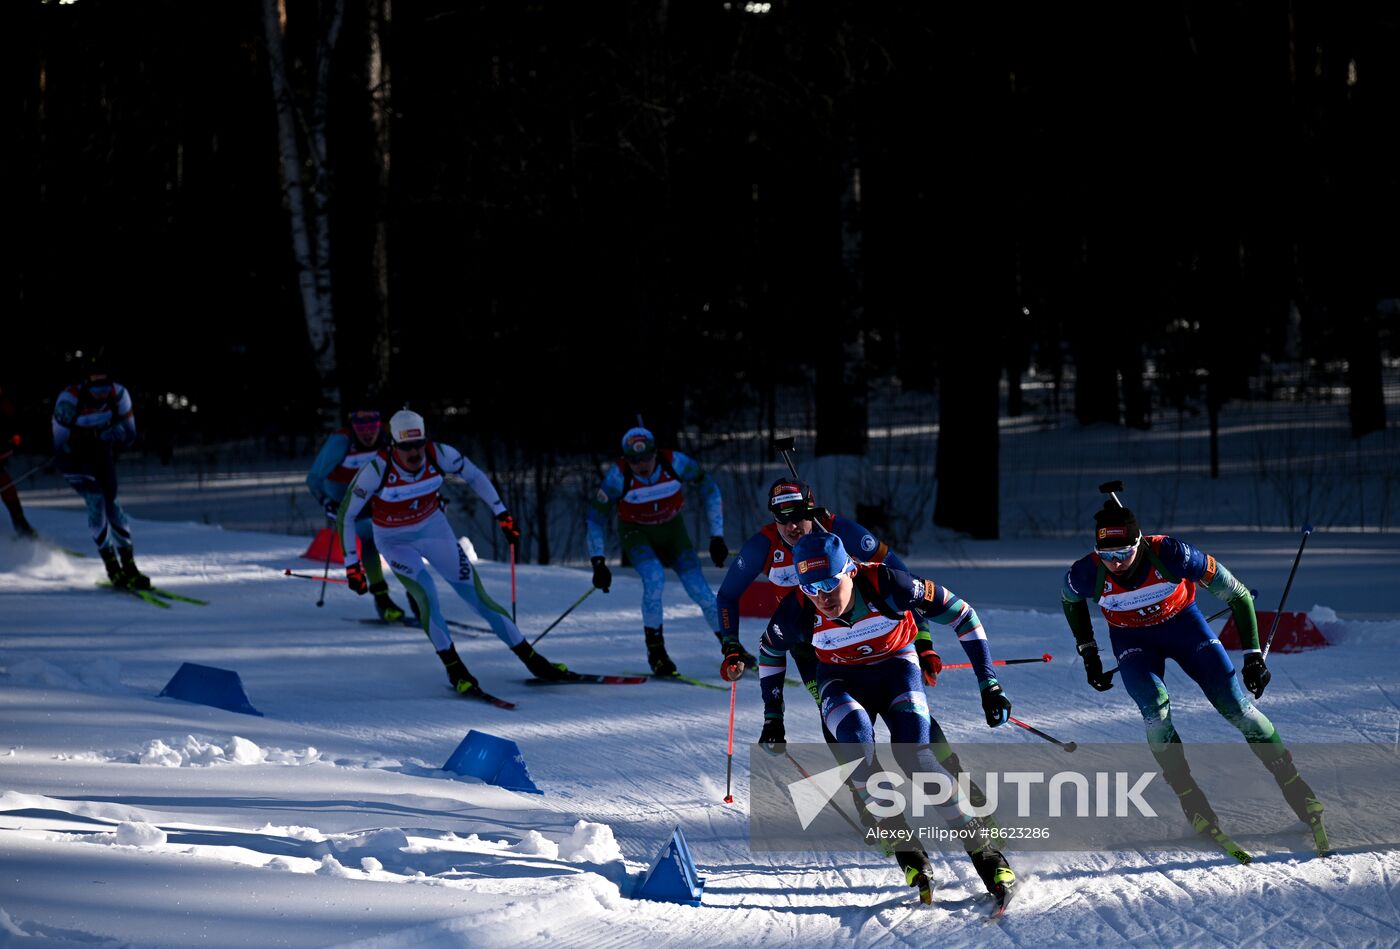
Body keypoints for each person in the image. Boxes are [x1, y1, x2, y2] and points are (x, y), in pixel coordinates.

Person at [742, 531, 1017, 908]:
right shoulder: (798, 609)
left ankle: (986, 856)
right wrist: (773, 717)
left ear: (850, 571)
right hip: (840, 681)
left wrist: (989, 685)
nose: (821, 597)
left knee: (915, 757)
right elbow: (769, 652)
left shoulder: (888, 584)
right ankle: (907, 849)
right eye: (809, 587)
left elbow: (964, 615)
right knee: (857, 749)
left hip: (896, 671)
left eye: (828, 583)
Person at [1061, 501, 1329, 856]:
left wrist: (1252, 657)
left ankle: (1295, 786)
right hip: (1134, 643)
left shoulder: (1171, 554)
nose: (1116, 562)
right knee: (1154, 711)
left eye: (1124, 552)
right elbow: (1070, 601)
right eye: (1106, 554)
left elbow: (1238, 594)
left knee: (1237, 707)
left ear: (1139, 542)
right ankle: (1190, 797)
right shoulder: (1086, 572)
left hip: (1184, 629)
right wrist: (1089, 653)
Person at [339, 409, 573, 696]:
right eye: (405, 447)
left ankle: (534, 661)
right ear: (393, 444)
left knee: (478, 597)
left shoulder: (440, 454)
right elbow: (345, 515)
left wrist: (501, 513)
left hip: (434, 531)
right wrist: (352, 564)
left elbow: (474, 476)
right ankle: (456, 670)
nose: (414, 453)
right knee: (426, 596)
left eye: (418, 444)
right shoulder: (376, 470)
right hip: (394, 541)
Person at [586, 426, 747, 676]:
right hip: (636, 533)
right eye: (633, 460)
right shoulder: (618, 477)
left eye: (646, 457)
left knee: (701, 591)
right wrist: (598, 561)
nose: (641, 465)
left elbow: (710, 489)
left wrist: (717, 536)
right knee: (654, 578)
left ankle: (732, 649)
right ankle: (657, 653)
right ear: (625, 459)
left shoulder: (676, 463)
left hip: (673, 530)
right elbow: (595, 519)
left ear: (656, 453)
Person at [52, 359, 148, 589]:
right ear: (86, 383)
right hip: (73, 458)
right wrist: (89, 436)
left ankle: (130, 566)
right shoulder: (68, 401)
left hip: (100, 453)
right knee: (96, 500)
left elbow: (130, 434)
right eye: (95, 387)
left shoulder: (119, 395)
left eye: (105, 386)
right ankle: (112, 567)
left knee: (113, 504)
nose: (101, 393)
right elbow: (59, 444)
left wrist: (118, 434)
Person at [307, 406, 406, 622]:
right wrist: (326, 502)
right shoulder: (340, 442)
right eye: (361, 427)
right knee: (368, 537)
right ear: (353, 427)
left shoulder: (387, 438)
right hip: (342, 494)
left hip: (373, 491)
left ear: (380, 426)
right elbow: (314, 478)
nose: (368, 433)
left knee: (399, 537)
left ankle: (415, 595)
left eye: (372, 426)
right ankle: (382, 600)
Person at [0, 384, 36, 537]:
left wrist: (14, 440)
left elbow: (14, 428)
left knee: (7, 487)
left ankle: (21, 526)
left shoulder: (4, 404)